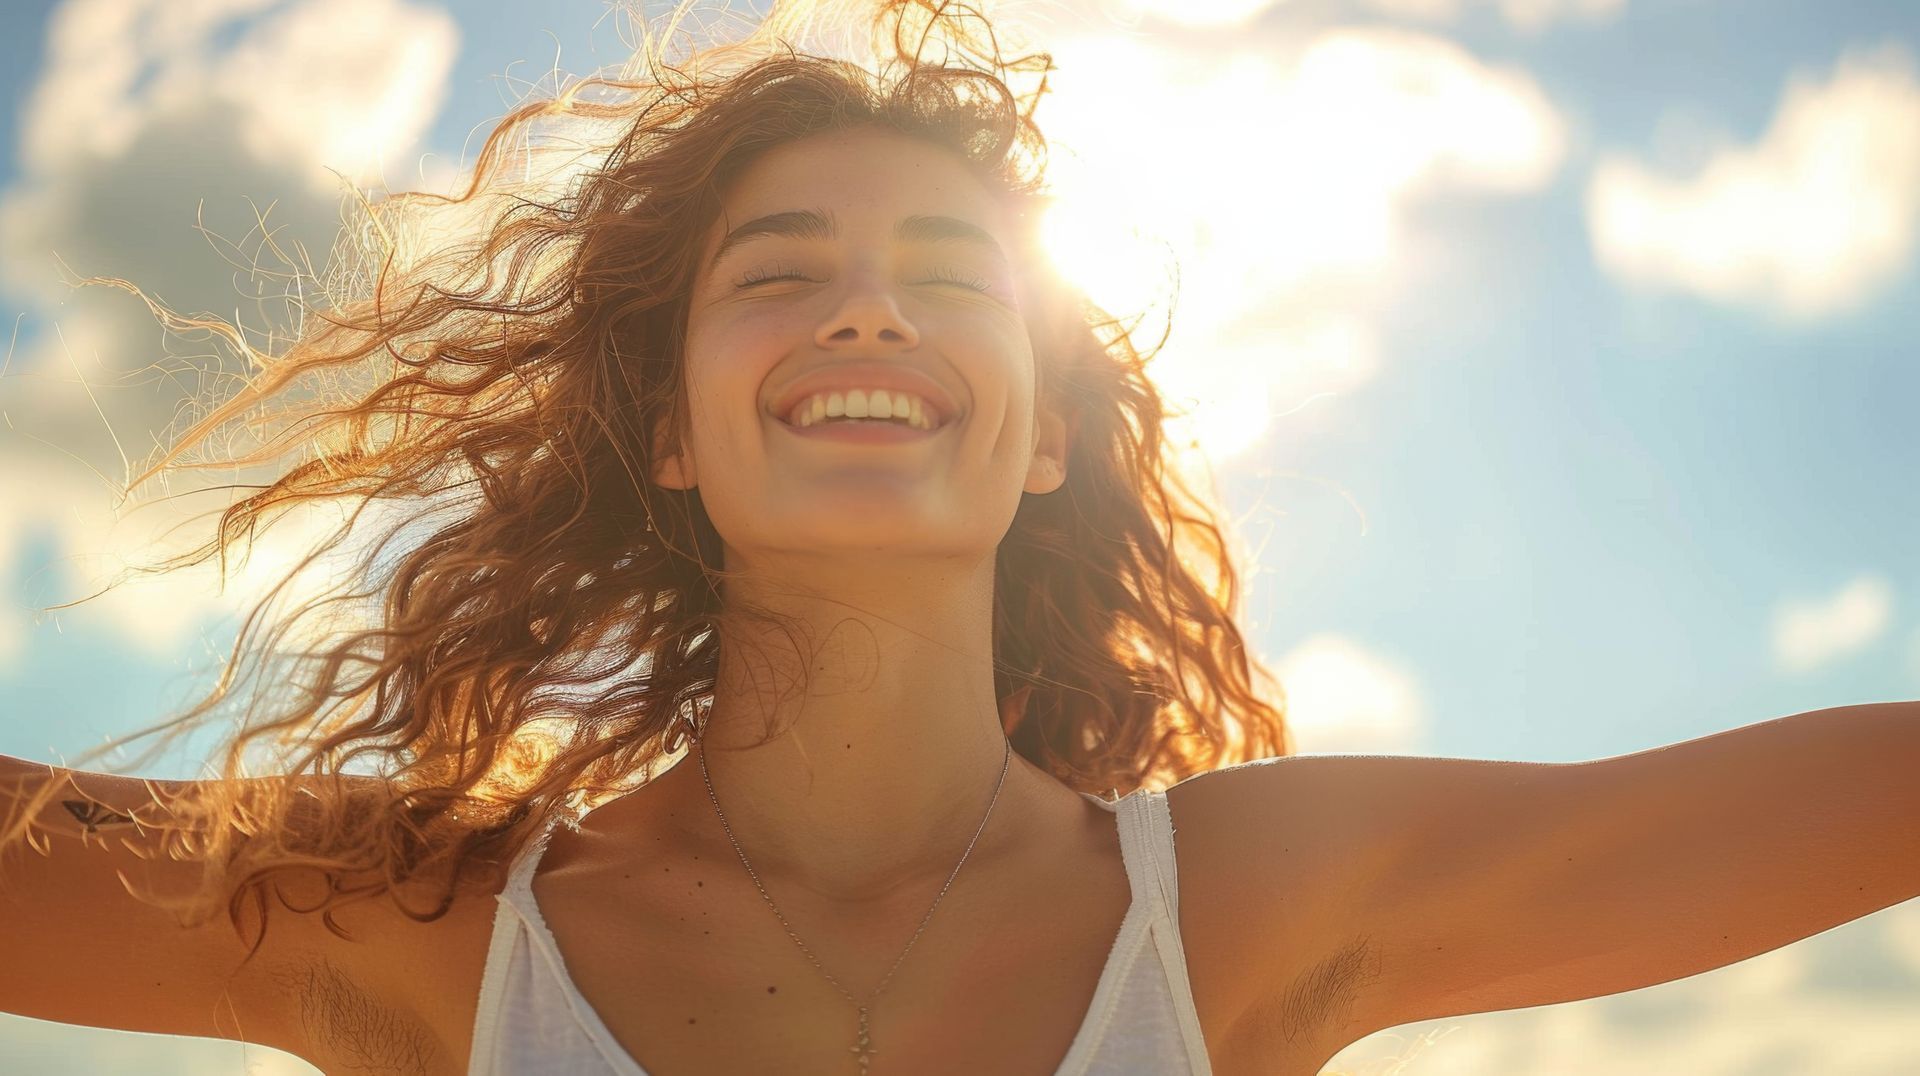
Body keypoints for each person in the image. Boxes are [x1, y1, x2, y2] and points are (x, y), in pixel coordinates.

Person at [5, 2, 1917, 1075]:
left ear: (1045, 436)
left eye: (947, 274)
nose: (869, 314)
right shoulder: (430, 919)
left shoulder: (1237, 906)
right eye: (785, 273)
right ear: (666, 428)